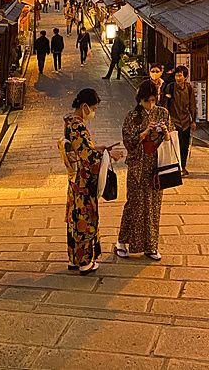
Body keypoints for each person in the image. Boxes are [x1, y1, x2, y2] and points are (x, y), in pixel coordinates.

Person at [63, 88, 124, 275]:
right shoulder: (78, 126)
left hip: (75, 181)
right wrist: (108, 155)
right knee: (85, 219)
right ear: (84, 107)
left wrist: (99, 148)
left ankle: (75, 258)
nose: (94, 112)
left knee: (75, 219)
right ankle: (85, 262)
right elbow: (88, 157)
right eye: (94, 108)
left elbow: (82, 149)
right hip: (83, 181)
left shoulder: (70, 123)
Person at [115, 79, 173, 261]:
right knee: (134, 205)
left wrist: (165, 132)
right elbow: (128, 141)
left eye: (154, 100)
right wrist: (144, 132)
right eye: (147, 101)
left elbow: (170, 139)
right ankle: (122, 242)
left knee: (154, 206)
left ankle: (151, 245)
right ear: (139, 100)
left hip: (156, 166)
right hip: (138, 166)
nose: (151, 104)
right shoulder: (133, 116)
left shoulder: (163, 113)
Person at [162, 65, 196, 176]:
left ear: (185, 77)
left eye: (180, 75)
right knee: (174, 146)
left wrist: (193, 120)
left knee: (184, 146)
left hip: (185, 122)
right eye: (176, 75)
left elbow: (192, 105)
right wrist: (166, 120)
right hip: (173, 121)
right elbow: (165, 105)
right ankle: (176, 167)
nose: (178, 78)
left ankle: (183, 167)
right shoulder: (170, 87)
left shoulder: (189, 88)